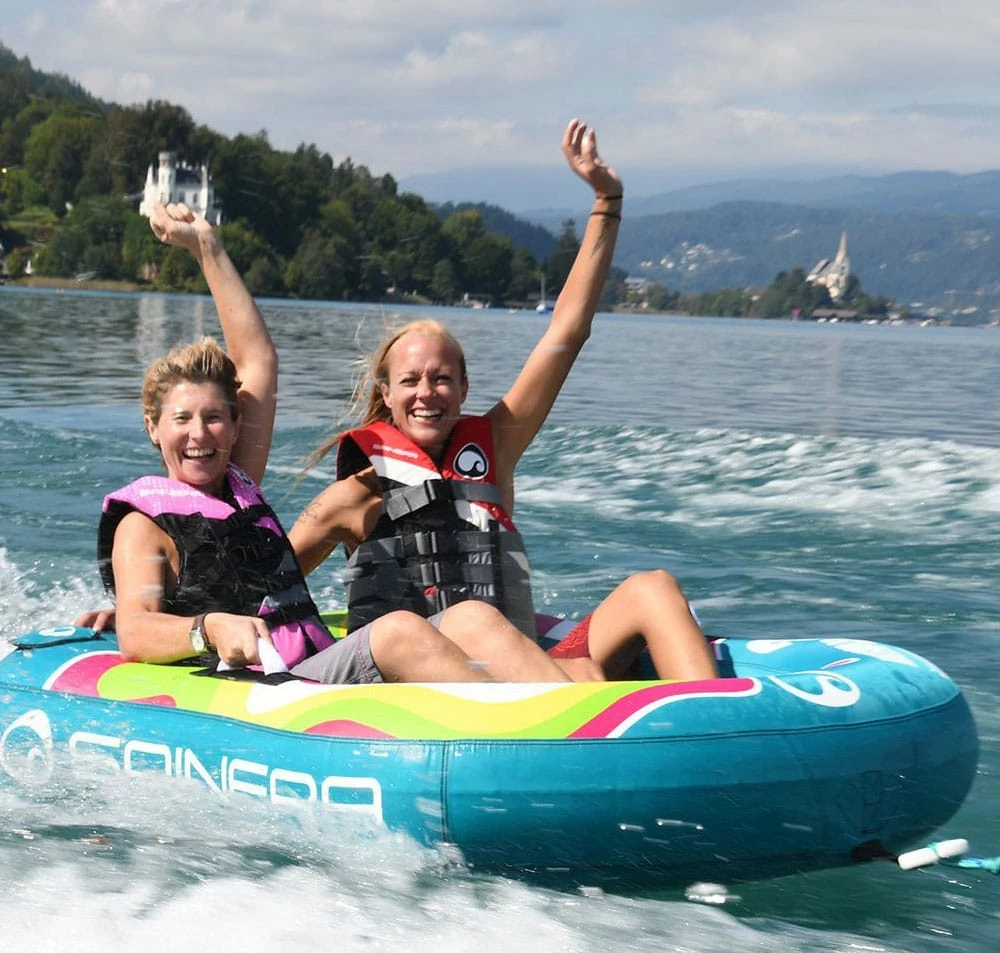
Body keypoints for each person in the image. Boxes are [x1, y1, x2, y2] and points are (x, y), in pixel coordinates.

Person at [288, 119, 718, 683]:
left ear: (464, 390)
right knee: (471, 619)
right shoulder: (351, 497)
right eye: (411, 381)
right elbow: (270, 586)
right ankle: (576, 707)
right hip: (413, 682)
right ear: (386, 395)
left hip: (517, 667)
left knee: (653, 588)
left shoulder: (494, 445)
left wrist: (606, 203)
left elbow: (567, 332)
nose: (427, 393)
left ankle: (714, 714)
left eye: (442, 379)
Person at [89, 201, 577, 685]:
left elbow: (258, 359)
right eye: (182, 419)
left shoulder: (237, 484)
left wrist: (208, 248)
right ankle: (533, 724)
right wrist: (201, 628)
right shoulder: (142, 526)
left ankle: (560, 713)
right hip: (257, 684)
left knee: (472, 617)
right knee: (398, 631)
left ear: (234, 428)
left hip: (308, 666)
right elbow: (137, 631)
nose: (200, 434)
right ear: (153, 427)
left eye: (214, 417)